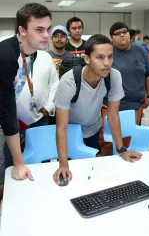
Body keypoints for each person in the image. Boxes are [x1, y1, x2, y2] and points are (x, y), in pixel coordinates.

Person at [53, 34, 142, 184]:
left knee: (88, 172)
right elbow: (61, 128)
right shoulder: (69, 81)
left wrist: (121, 149)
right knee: (70, 174)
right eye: (100, 57)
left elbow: (113, 116)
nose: (107, 63)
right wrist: (63, 164)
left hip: (92, 129)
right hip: (69, 134)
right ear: (87, 59)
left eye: (110, 57)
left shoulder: (114, 76)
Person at [0, 3, 52, 198]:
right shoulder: (6, 55)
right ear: (22, 30)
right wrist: (19, 162)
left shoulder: (31, 52)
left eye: (48, 29)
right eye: (39, 30)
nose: (46, 35)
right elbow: (6, 111)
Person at [99, 22, 149, 154]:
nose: (122, 35)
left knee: (128, 141)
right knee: (108, 141)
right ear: (111, 37)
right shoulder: (107, 52)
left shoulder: (140, 50)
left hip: (135, 105)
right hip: (110, 105)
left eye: (124, 32)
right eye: (117, 33)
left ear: (130, 34)